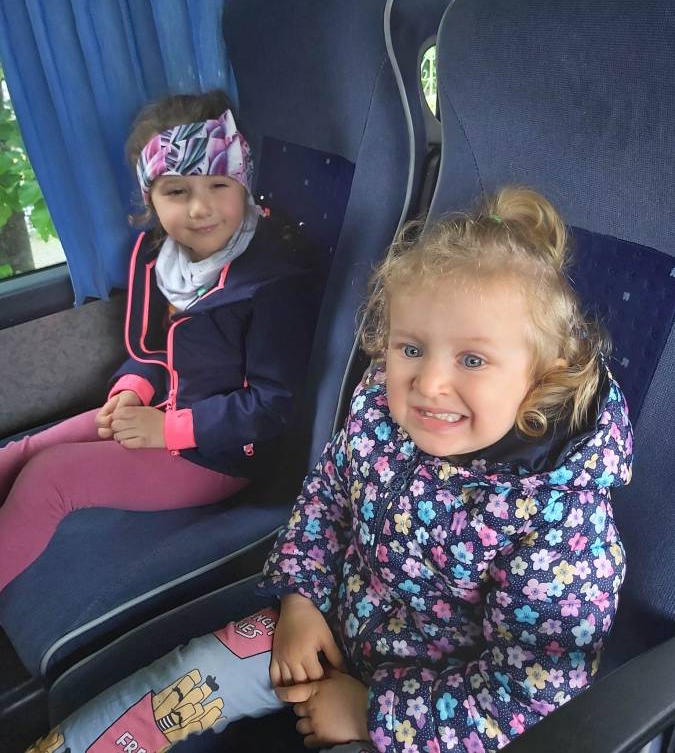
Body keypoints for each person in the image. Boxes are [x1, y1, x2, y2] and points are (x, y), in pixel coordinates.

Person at [26, 186, 632, 753]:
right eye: (411, 348)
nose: (428, 383)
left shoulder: (562, 526)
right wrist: (301, 599)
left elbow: (532, 696)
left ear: (544, 376)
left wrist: (373, 714)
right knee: (185, 679)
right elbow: (326, 500)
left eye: (472, 360)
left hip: (431, 719)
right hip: (330, 624)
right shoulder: (381, 411)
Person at [0, 90, 316, 593]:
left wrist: (167, 430)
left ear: (244, 184)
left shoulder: (271, 283)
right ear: (151, 200)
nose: (200, 208)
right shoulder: (160, 258)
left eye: (219, 184)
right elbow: (153, 349)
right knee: (22, 451)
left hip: (217, 452)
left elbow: (272, 406)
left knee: (49, 476)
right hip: (159, 410)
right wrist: (132, 390)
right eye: (177, 191)